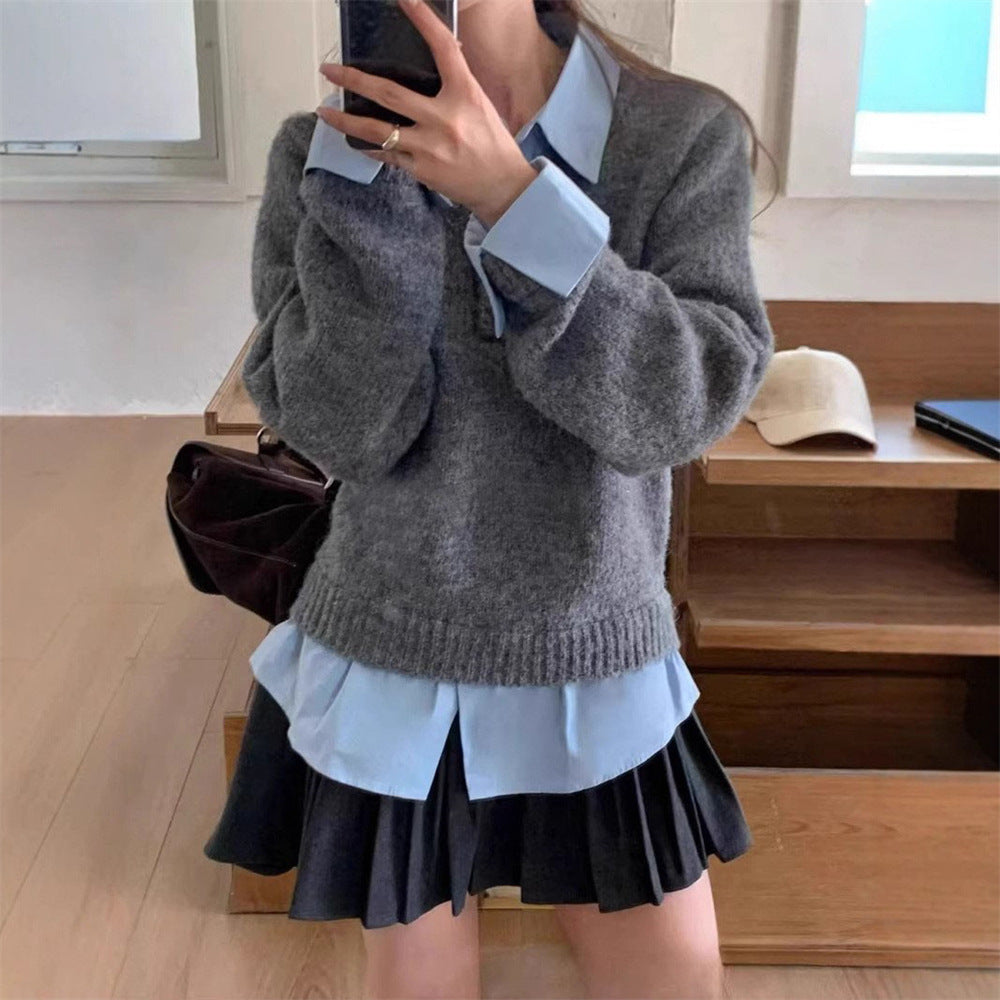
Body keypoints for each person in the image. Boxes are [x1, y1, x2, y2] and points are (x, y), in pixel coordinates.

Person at [203, 0, 778, 997]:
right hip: (392, 656)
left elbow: (678, 410)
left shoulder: (678, 136)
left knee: (676, 982)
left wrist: (517, 204)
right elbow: (341, 433)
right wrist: (376, 202)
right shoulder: (325, 151)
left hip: (595, 654)